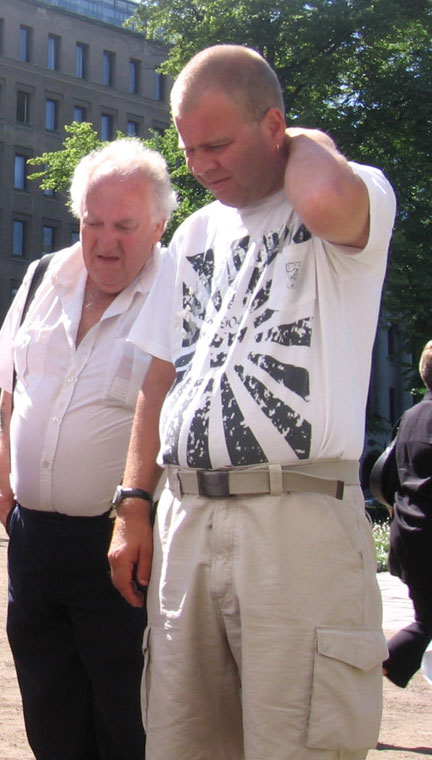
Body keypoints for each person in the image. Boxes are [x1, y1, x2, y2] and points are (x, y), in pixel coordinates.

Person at [107, 45, 397, 759]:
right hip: (187, 516)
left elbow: (324, 198)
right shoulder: (196, 233)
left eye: (218, 144)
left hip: (295, 518)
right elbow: (161, 378)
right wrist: (133, 503)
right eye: (188, 148)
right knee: (179, 743)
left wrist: (306, 139)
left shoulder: (353, 193)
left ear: (274, 127)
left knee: (298, 743)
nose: (200, 165)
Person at [0, 139, 176, 760]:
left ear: (158, 225)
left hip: (120, 545)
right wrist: (3, 463)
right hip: (34, 541)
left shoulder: (178, 290)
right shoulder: (44, 276)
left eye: (125, 226)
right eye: (94, 223)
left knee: (126, 720)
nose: (106, 242)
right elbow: (12, 384)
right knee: (49, 713)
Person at [384, 339, 432, 687]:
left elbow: (387, 479)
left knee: (426, 619)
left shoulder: (410, 417)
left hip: (409, 532)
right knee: (425, 623)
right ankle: (373, 665)